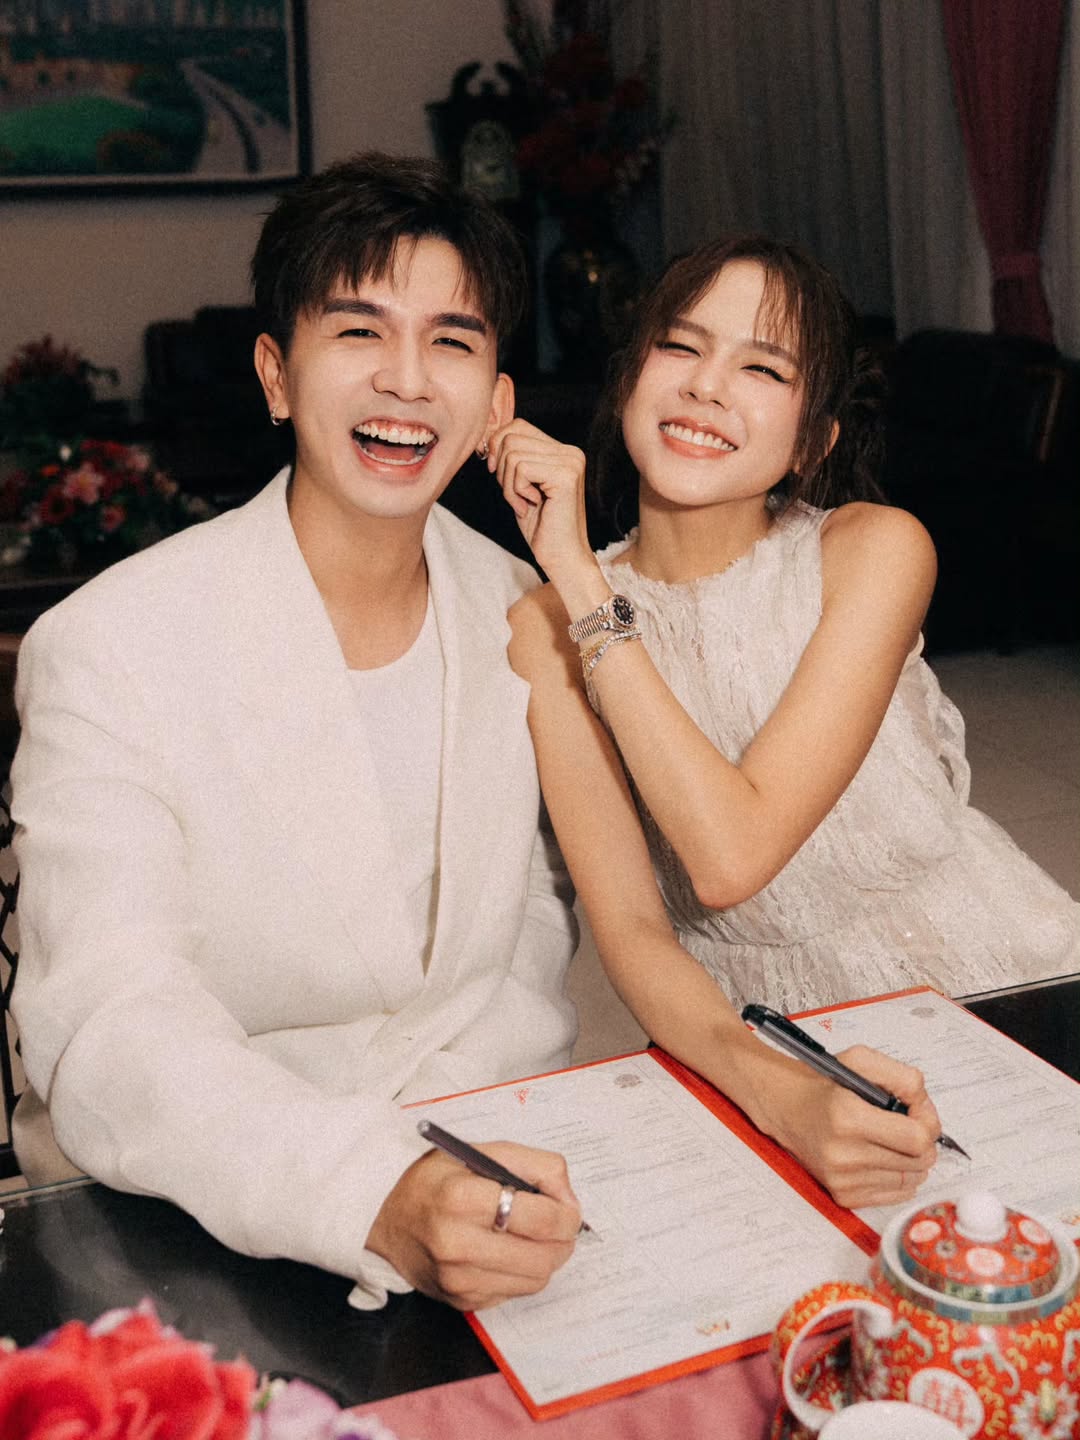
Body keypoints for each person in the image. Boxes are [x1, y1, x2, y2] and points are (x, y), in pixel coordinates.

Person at [9, 152, 585, 1312]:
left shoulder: (525, 608)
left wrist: (458, 1146)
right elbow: (113, 1020)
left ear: (496, 405)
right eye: (359, 332)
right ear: (277, 376)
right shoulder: (110, 643)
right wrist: (372, 1184)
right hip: (194, 1211)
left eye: (453, 342)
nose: (406, 382)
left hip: (483, 1166)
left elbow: (532, 917)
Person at [491, 234, 1080, 1209]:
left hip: (991, 983)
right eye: (682, 347)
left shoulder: (871, 550)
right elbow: (634, 933)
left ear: (813, 442)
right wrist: (776, 1093)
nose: (707, 385)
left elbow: (731, 856)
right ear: (628, 380)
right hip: (754, 1041)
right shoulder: (545, 626)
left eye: (762, 368)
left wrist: (584, 588)